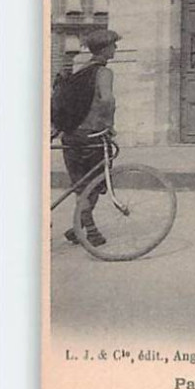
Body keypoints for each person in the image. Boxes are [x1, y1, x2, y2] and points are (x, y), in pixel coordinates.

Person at [62, 28, 120, 248]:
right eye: (113, 45)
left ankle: (78, 227)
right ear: (105, 49)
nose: (116, 48)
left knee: (81, 185)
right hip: (92, 136)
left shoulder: (80, 69)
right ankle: (91, 230)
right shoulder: (104, 73)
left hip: (71, 136)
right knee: (93, 186)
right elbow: (107, 100)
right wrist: (109, 125)